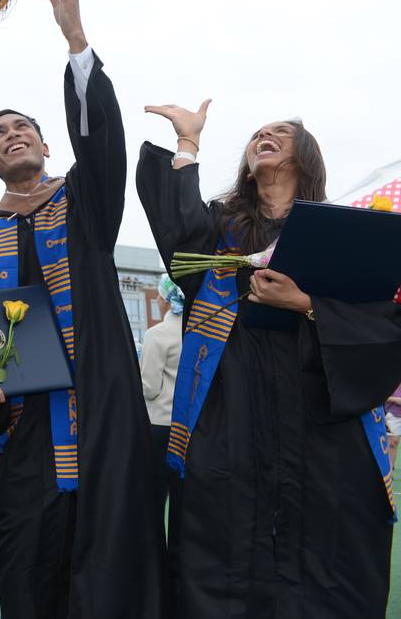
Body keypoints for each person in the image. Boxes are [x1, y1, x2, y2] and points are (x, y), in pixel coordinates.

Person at [0, 0, 163, 619]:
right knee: (26, 570)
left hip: (101, 409)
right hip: (27, 431)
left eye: (24, 128)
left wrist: (77, 44)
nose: (13, 134)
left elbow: (102, 138)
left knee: (109, 572)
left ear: (47, 146)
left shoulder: (84, 201)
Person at [136, 107, 401, 618]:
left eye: (280, 133)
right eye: (258, 134)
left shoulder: (343, 236)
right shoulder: (218, 233)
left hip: (323, 427)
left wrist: (305, 305)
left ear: (304, 157)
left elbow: (383, 327)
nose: (265, 136)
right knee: (222, 561)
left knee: (329, 567)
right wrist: (187, 144)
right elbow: (176, 227)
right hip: (231, 421)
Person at [140, 273, 184, 510]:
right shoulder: (196, 331)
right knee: (184, 497)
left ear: (166, 300)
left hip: (159, 425)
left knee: (155, 495)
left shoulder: (156, 334)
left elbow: (149, 387)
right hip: (189, 426)